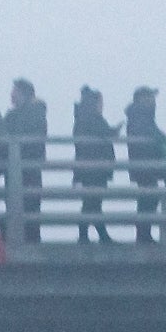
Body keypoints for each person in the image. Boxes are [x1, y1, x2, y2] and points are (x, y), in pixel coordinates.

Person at [0, 79, 49, 242]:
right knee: (14, 204)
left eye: (15, 91)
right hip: (13, 168)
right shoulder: (12, 115)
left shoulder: (35, 112)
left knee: (31, 205)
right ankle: (16, 239)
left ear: (24, 94)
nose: (12, 95)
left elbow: (34, 136)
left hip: (29, 166)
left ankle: (31, 242)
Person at [122, 86, 166, 244]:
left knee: (148, 197)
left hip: (145, 163)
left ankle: (144, 234)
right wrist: (164, 140)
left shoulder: (141, 114)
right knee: (148, 198)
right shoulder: (139, 115)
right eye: (149, 97)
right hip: (143, 162)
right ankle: (144, 235)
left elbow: (152, 131)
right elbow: (147, 132)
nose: (153, 101)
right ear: (140, 99)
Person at [68, 86, 115, 244]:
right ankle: (95, 235)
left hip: (89, 168)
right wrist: (113, 132)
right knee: (92, 202)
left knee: (92, 203)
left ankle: (90, 235)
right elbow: (103, 134)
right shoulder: (91, 119)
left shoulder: (82, 118)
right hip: (94, 168)